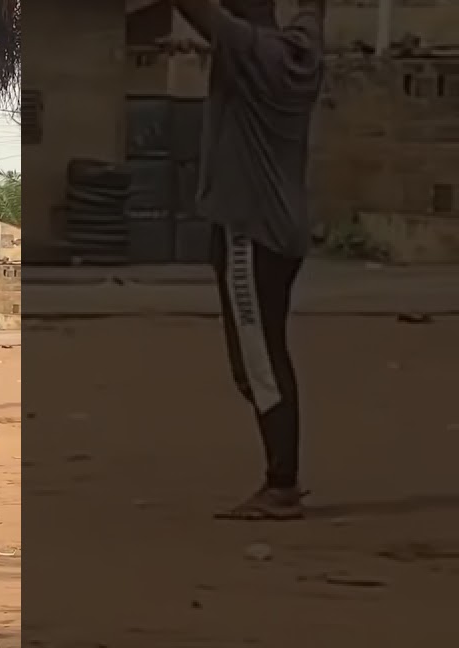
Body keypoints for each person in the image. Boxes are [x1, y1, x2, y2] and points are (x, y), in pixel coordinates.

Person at [173, 0, 323, 520]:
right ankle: (282, 479)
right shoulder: (303, 47)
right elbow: (313, 9)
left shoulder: (247, 47)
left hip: (250, 232)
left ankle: (281, 485)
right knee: (267, 356)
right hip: (282, 229)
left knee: (257, 364)